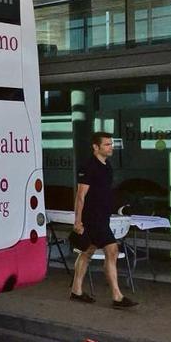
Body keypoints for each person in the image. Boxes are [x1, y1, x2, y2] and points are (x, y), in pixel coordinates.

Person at [69, 131, 138, 308]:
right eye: (107, 144)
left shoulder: (107, 165)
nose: (110, 147)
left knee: (87, 251)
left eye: (111, 144)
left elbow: (104, 192)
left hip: (102, 216)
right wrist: (78, 221)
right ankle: (117, 296)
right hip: (92, 218)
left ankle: (76, 290)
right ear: (95, 147)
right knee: (112, 250)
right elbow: (80, 196)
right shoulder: (88, 166)